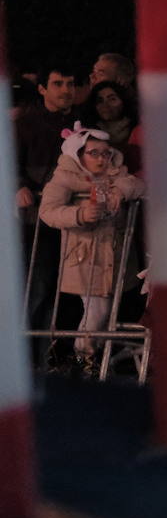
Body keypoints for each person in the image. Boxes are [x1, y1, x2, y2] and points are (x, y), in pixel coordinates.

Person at [38, 124, 146, 376]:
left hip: (114, 256)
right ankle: (83, 357)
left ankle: (87, 357)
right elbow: (47, 211)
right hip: (84, 256)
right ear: (79, 154)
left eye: (105, 153)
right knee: (97, 310)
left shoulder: (117, 175)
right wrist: (79, 213)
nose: (101, 158)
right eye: (94, 153)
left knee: (104, 310)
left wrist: (121, 189)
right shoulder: (65, 177)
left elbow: (139, 186)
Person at [16, 64, 79, 341]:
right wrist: (19, 186)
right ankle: (27, 357)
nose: (66, 90)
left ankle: (54, 355)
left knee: (66, 289)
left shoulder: (83, 122)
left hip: (73, 218)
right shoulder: (25, 123)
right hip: (36, 219)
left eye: (70, 83)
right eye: (58, 83)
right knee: (37, 285)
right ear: (42, 89)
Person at [81, 80, 140, 173]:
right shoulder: (87, 132)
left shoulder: (137, 130)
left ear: (123, 101)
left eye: (112, 99)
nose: (105, 105)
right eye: (100, 100)